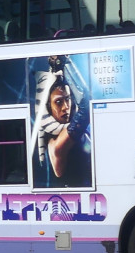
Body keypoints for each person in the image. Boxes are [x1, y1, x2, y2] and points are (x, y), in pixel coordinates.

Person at [33, 55, 92, 187]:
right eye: (58, 102)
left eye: (68, 99)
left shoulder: (72, 131)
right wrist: (65, 62)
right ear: (47, 107)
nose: (66, 107)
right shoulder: (57, 145)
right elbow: (87, 105)